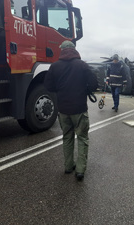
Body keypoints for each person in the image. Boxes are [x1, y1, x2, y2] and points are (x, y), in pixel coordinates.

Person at [44, 40, 98, 181]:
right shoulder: (82, 65)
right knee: (82, 138)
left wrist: (61, 90)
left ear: (61, 50)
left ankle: (68, 166)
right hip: (79, 109)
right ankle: (80, 170)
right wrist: (84, 88)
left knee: (67, 137)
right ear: (74, 50)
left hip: (63, 110)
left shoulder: (54, 66)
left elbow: (48, 86)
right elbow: (94, 84)